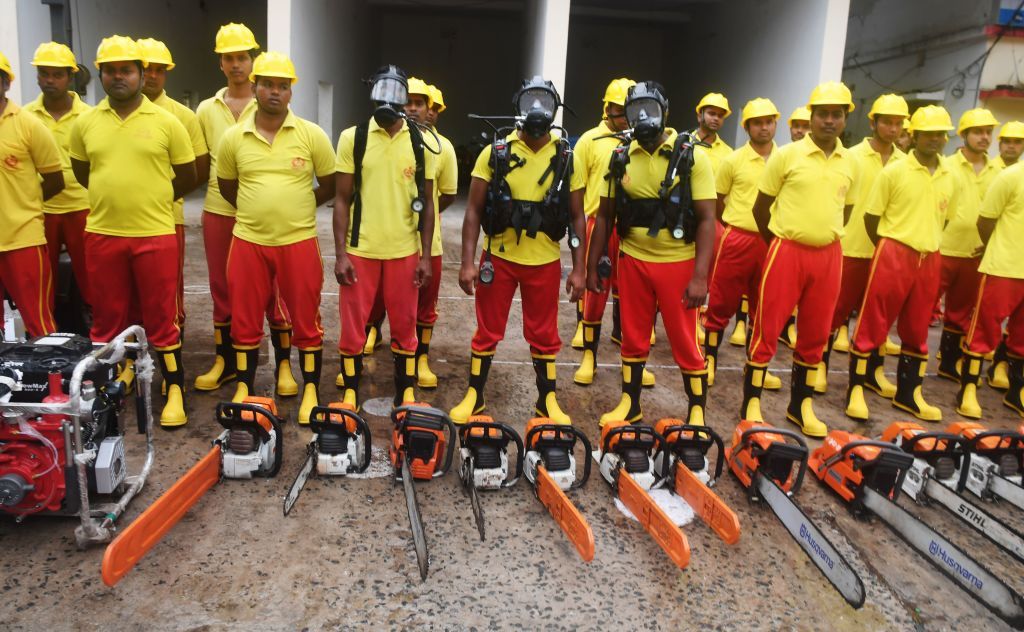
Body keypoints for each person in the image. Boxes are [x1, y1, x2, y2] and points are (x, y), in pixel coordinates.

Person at [69, 35, 196, 426]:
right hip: (104, 233)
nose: (117, 77)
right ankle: (112, 381)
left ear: (142, 75)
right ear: (100, 76)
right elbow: (83, 172)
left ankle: (173, 388)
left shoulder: (168, 123)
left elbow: (188, 176)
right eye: (110, 70)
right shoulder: (85, 123)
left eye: (126, 70)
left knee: (161, 317)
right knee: (108, 318)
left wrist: (150, 197)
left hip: (155, 233)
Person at [450, 76, 585, 424]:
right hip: (499, 258)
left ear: (556, 109)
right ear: (518, 108)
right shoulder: (495, 153)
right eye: (530, 102)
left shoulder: (568, 157)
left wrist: (580, 269)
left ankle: (547, 401)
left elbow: (577, 216)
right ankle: (475, 396)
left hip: (544, 261)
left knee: (544, 334)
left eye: (545, 102)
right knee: (487, 330)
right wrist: (467, 263)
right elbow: (473, 211)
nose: (537, 110)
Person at [586, 81, 715, 426]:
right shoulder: (620, 157)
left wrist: (701, 278)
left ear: (665, 112)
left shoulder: (692, 157)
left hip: (678, 263)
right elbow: (604, 215)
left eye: (650, 109)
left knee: (685, 341)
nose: (643, 117)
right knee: (633, 336)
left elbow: (706, 220)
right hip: (632, 261)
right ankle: (630, 403)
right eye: (635, 110)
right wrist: (592, 267)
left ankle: (697, 410)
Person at [217, 51, 335, 423]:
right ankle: (246, 385)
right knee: (245, 317)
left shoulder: (311, 135)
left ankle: (311, 385)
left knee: (305, 316)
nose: (274, 91)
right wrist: (258, 209)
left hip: (298, 240)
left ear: (290, 93)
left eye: (282, 86)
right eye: (267, 84)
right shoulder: (234, 137)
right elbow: (227, 186)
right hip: (249, 240)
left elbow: (329, 184)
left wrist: (298, 204)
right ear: (254, 87)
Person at [744, 81, 858, 438]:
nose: (829, 120)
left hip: (829, 255)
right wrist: (779, 240)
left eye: (836, 114)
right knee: (768, 325)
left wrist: (822, 235)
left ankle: (801, 405)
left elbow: (847, 210)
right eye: (822, 113)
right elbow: (761, 207)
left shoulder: (850, 162)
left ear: (844, 119)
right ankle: (752, 400)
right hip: (786, 248)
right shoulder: (787, 155)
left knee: (816, 332)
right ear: (811, 116)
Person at [194, 23, 296, 397]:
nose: (236, 65)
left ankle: (284, 363)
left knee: (274, 287)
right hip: (219, 209)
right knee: (222, 286)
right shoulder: (206, 109)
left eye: (242, 57)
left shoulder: (269, 101)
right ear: (220, 63)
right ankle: (225, 361)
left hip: (262, 211)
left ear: (252, 62)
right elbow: (204, 163)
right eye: (229, 58)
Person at [845, 105, 959, 423]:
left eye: (940, 134)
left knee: (919, 324)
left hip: (929, 255)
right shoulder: (894, 171)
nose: (935, 139)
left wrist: (926, 241)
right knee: (874, 320)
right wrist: (888, 246)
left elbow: (944, 218)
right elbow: (871, 217)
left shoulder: (951, 175)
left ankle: (909, 393)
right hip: (894, 249)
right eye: (928, 134)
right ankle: (856, 388)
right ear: (915, 136)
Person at [334, 65, 436, 409]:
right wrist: (340, 254)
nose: (387, 101)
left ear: (405, 98)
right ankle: (350, 389)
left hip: (404, 251)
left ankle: (405, 389)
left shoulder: (421, 142)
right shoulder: (354, 137)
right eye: (381, 92)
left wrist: (424, 256)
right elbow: (342, 200)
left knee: (405, 325)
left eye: (395, 94)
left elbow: (430, 204)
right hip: (361, 249)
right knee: (352, 327)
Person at [361, 78, 457, 388]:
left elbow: (445, 196)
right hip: (386, 242)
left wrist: (424, 220)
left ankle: (421, 358)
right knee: (376, 298)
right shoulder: (376, 138)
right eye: (409, 102)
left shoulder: (441, 148)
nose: (413, 109)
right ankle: (372, 332)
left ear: (433, 111)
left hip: (430, 244)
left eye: (420, 103)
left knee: (425, 305)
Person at [573, 77, 654, 389]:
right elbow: (576, 190)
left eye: (629, 111)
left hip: (634, 228)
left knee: (635, 298)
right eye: (619, 110)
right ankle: (589, 357)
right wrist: (577, 228)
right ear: (607, 108)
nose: (625, 117)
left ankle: (631, 358)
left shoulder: (644, 141)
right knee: (596, 293)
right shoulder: (589, 141)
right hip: (600, 225)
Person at [825, 94, 908, 397]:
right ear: (873, 122)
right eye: (887, 121)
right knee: (836, 310)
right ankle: (820, 364)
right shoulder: (852, 156)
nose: (892, 128)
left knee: (880, 316)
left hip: (887, 251)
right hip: (853, 245)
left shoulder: (905, 162)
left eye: (898, 123)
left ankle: (873, 372)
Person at [703, 98, 782, 392]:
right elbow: (719, 202)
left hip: (771, 240)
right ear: (747, 126)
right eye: (757, 122)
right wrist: (733, 227)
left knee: (765, 304)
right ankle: (709, 358)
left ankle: (757, 362)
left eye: (769, 121)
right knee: (722, 300)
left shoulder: (784, 159)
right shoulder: (733, 160)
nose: (764, 127)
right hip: (737, 238)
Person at [137, 38, 209, 338]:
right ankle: (130, 353)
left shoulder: (183, 116)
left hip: (167, 217)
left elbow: (200, 169)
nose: (152, 75)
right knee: (128, 293)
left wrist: (163, 196)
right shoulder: (109, 115)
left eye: (159, 70)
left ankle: (172, 349)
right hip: (120, 220)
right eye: (146, 68)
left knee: (168, 288)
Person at [0, 50, 64, 337]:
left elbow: (54, 179)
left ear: (6, 83)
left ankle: (52, 380)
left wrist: (23, 206)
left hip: (22, 239)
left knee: (38, 323)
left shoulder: (28, 124)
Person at [935, 108, 1001, 382]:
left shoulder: (999, 171)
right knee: (920, 306)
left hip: (975, 251)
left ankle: (949, 363)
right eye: (978, 132)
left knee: (961, 311)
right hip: (943, 247)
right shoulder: (945, 165)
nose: (984, 137)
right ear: (964, 135)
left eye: (988, 132)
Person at [24, 43, 91, 311]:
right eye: (44, 73)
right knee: (42, 278)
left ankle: (98, 334)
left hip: (82, 206)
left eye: (57, 74)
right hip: (41, 209)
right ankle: (44, 336)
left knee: (91, 277)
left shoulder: (89, 116)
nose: (49, 80)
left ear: (70, 76)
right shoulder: (25, 116)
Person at [956, 160, 1024, 419]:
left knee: (1022, 336)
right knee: (984, 329)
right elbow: (984, 221)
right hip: (1003, 267)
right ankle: (968, 389)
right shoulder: (1011, 176)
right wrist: (995, 246)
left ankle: (1017, 390)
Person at [987, 121, 1024, 389]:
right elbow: (986, 220)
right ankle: (969, 377)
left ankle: (1009, 370)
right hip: (1002, 260)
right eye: (1008, 141)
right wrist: (993, 246)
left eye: (1018, 142)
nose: (1012, 146)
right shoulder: (1004, 175)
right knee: (987, 319)